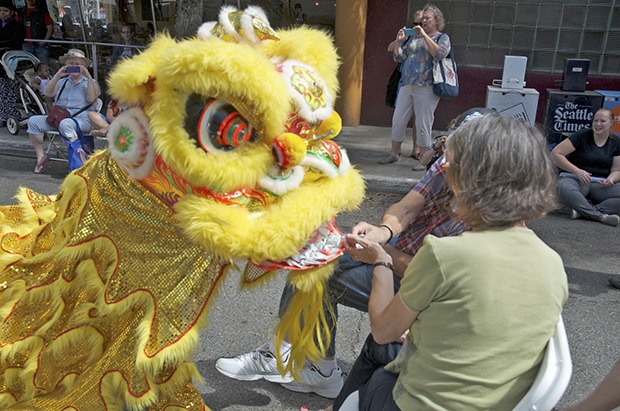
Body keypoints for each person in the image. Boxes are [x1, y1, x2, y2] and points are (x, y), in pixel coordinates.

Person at [214, 108, 491, 399]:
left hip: (429, 292)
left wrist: (382, 256)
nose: (447, 166)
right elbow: (408, 206)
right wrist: (381, 231)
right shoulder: (452, 163)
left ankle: (307, 364)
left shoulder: (487, 214)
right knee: (317, 253)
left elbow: (435, 275)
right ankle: (306, 361)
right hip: (401, 260)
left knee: (324, 274)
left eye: (457, 162)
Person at [339, 114, 567, 410]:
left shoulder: (445, 254)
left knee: (376, 348)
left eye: (449, 167)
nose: (443, 172)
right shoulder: (552, 264)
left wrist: (381, 261)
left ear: (471, 180)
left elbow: (384, 330)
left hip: (420, 404)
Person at [379, 4, 450, 171]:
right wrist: (398, 41)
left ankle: (423, 160)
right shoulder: (414, 38)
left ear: (436, 21)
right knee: (398, 119)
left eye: (428, 18)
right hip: (407, 84)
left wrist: (424, 35)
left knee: (423, 123)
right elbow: (399, 57)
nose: (423, 21)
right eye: (423, 18)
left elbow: (440, 54)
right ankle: (394, 153)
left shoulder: (442, 37)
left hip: (427, 87)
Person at [27, 48, 100, 173]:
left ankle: (78, 163)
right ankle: (40, 157)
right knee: (33, 121)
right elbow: (47, 93)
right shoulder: (61, 81)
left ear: (84, 66)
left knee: (65, 124)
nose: (73, 67)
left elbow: (91, 98)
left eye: (77, 64)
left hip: (82, 119)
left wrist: (88, 76)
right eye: (70, 64)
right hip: (59, 118)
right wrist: (57, 75)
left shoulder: (92, 82)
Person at [551, 108, 620, 226]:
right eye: (595, 121)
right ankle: (600, 217)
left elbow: (616, 170)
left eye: (602, 121)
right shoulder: (581, 135)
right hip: (576, 179)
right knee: (563, 187)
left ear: (611, 122)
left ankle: (585, 211)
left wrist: (611, 179)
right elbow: (556, 153)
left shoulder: (616, 142)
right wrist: (577, 171)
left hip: (600, 184)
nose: (598, 124)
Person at [386, 10, 423, 161]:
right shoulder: (409, 38)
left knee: (419, 117)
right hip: (405, 81)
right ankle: (396, 150)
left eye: (421, 24)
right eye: (415, 24)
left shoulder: (431, 38)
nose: (418, 27)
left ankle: (417, 148)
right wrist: (400, 39)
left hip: (421, 83)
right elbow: (390, 48)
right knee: (401, 116)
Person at [0, 0, 25, 125]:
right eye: (0, 11)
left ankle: (11, 117)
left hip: (10, 60)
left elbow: (15, 42)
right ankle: (2, 116)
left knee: (10, 90)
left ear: (11, 12)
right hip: (0, 61)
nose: (2, 13)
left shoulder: (18, 26)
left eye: (5, 11)